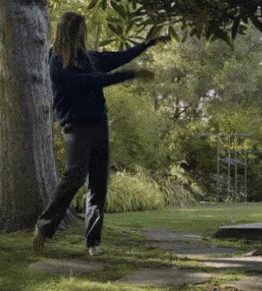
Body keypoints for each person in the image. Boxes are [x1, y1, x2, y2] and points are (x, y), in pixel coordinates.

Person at [33, 11, 169, 256]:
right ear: (70, 32)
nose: (83, 34)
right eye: (80, 30)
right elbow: (92, 81)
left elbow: (119, 57)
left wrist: (146, 45)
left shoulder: (90, 57)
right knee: (74, 177)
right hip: (75, 126)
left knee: (98, 184)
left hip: (99, 123)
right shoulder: (56, 61)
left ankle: (93, 243)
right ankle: (43, 230)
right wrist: (131, 74)